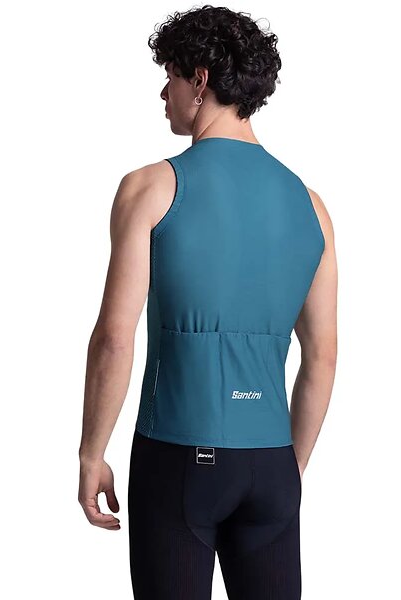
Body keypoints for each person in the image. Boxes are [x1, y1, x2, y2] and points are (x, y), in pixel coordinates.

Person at [78, 5, 338, 599]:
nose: (162, 93)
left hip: (178, 457)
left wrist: (92, 452)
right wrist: (286, 468)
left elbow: (115, 337)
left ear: (199, 80)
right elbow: (322, 356)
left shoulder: (151, 187)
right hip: (271, 464)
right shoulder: (312, 205)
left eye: (169, 76)